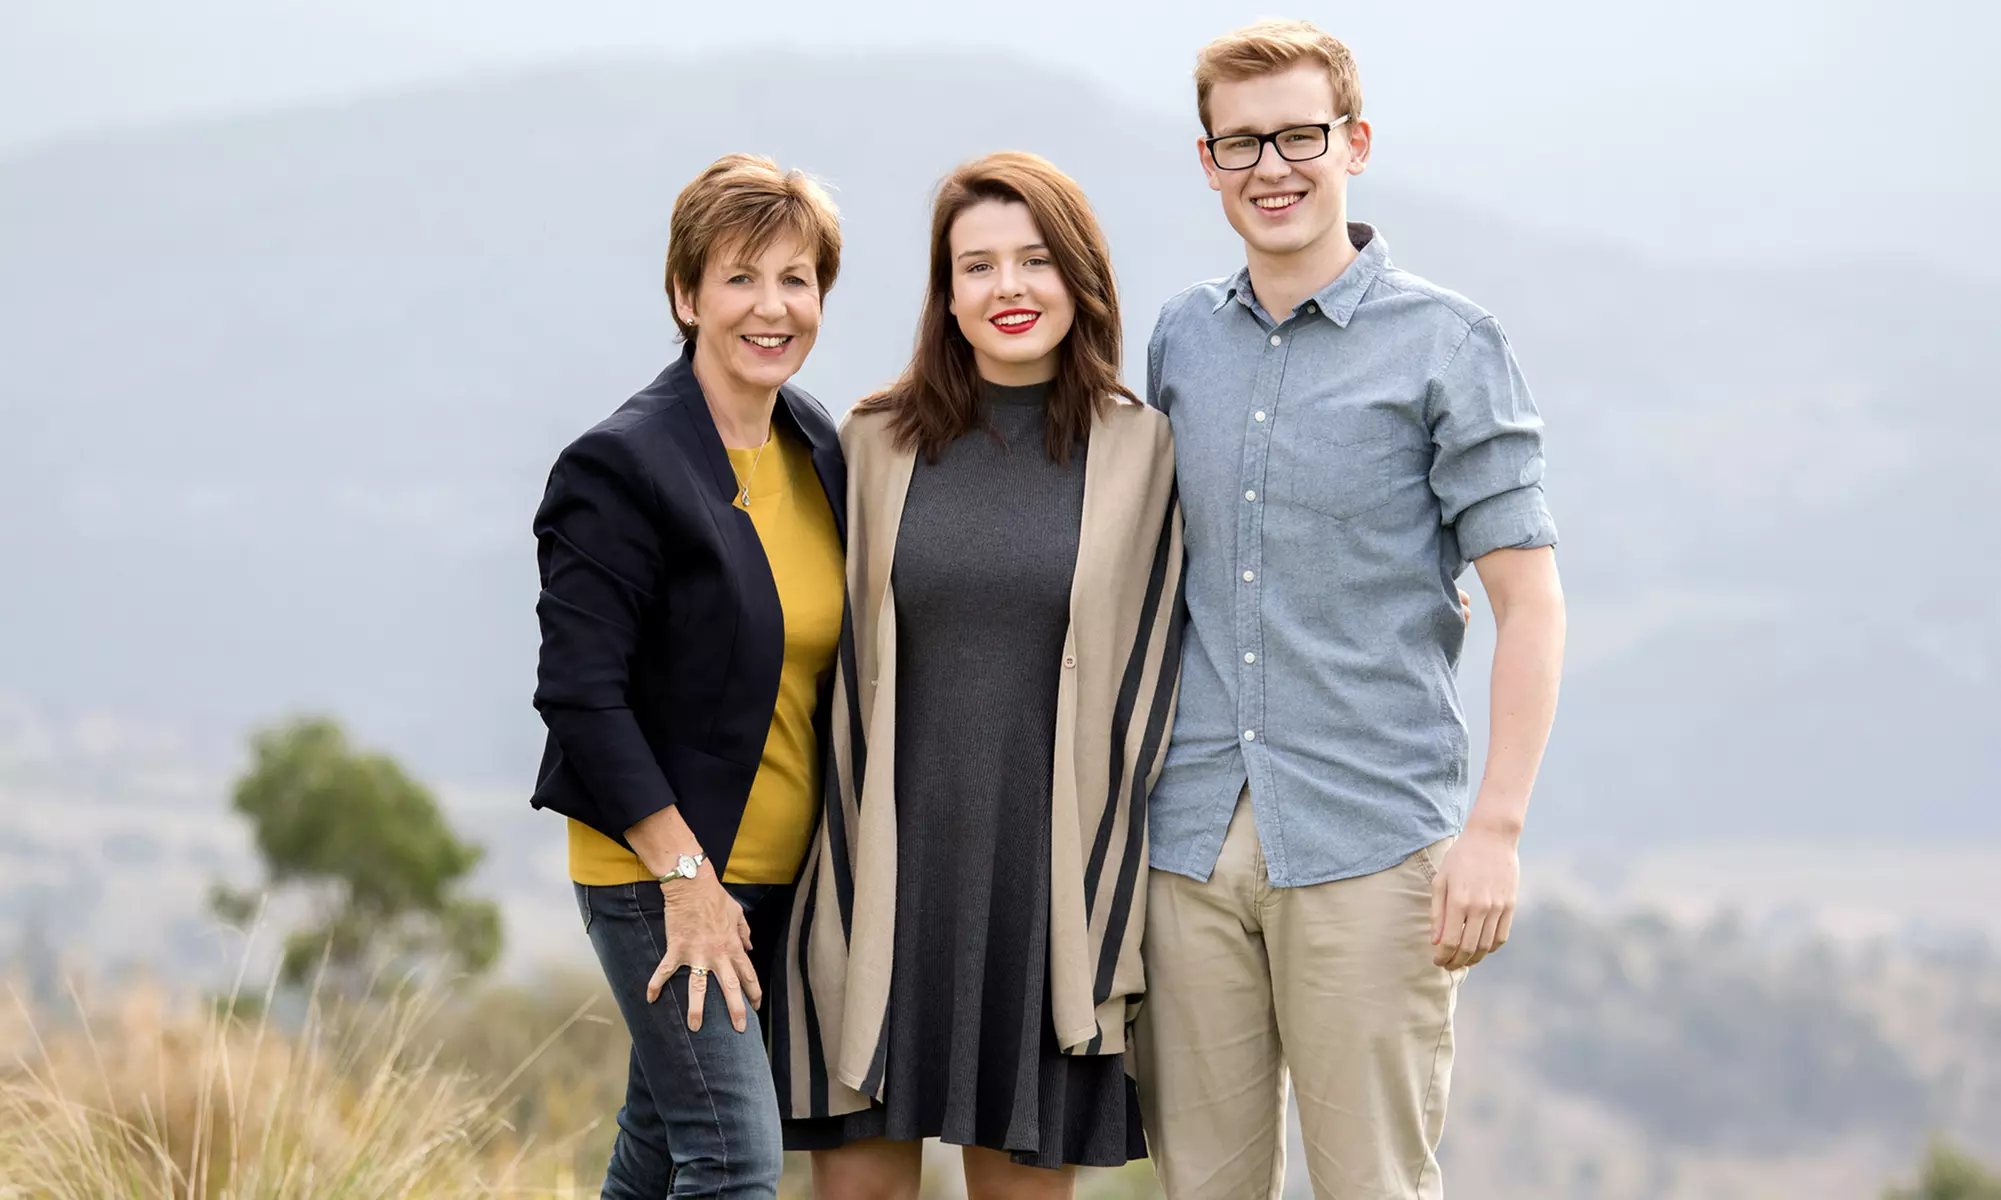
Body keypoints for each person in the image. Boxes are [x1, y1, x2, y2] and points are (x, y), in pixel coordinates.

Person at [1134, 20, 1569, 1200]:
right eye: (1242, 143)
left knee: (1374, 1183)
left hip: (1373, 846)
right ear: (1209, 162)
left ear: (1354, 143)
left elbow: (1528, 606)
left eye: (1300, 136)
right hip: (1187, 844)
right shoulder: (1180, 338)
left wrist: (1497, 832)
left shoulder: (1449, 346)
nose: (1272, 166)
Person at [768, 152, 1182, 1200]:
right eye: (978, 265)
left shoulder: (1145, 454)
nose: (1008, 288)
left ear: (1080, 278)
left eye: (1035, 260)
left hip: (1043, 907)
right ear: (945, 296)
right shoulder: (870, 443)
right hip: (877, 893)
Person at [530, 153, 847, 1200]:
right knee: (733, 1163)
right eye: (741, 278)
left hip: (770, 877)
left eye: (796, 280)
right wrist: (685, 880)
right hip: (660, 875)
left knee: (662, 1145)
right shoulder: (620, 466)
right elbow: (580, 694)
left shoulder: (816, 448)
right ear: (685, 295)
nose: (773, 307)